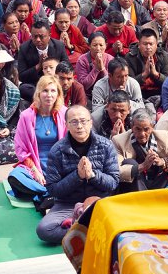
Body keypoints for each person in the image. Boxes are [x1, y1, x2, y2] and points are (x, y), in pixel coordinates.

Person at [35, 103, 121, 245]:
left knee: (122, 225)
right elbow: (53, 189)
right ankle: (92, 231)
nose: (79, 126)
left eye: (83, 121)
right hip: (68, 204)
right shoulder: (57, 151)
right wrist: (77, 176)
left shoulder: (105, 145)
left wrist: (93, 175)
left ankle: (79, 230)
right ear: (66, 124)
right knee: (44, 230)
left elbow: (113, 182)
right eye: (74, 122)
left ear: (91, 123)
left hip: (99, 202)